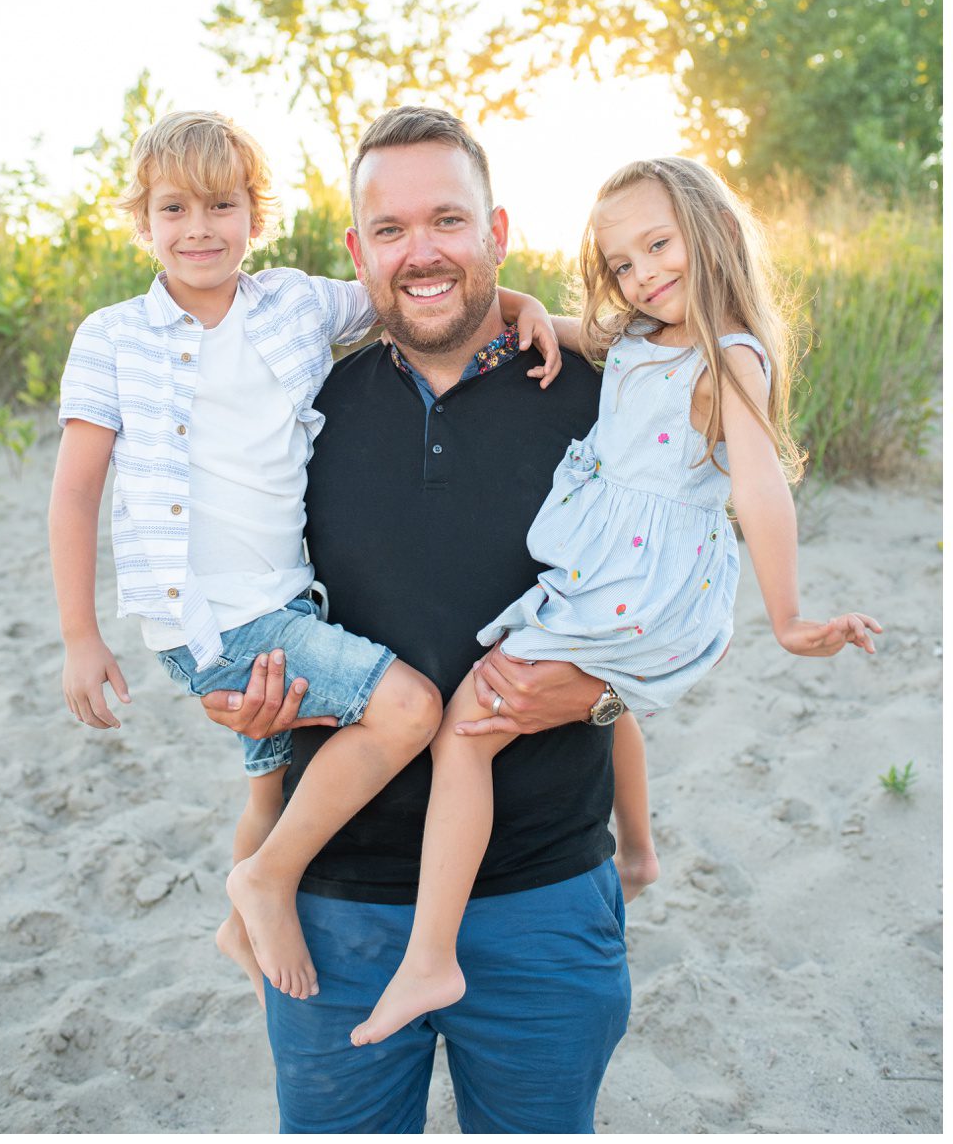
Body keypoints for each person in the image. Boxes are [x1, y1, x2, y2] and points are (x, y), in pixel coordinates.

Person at [348, 154, 880, 1048]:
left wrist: (788, 616)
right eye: (624, 262)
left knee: (467, 729)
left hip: (641, 581)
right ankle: (637, 848)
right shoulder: (642, 336)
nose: (645, 274)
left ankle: (432, 955)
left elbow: (759, 488)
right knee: (597, 697)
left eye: (660, 246)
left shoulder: (726, 359)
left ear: (712, 231)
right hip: (610, 576)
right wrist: (518, 307)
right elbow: (544, 321)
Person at [50, 109, 560, 1004]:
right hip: (211, 612)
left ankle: (238, 919)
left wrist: (522, 303)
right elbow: (75, 491)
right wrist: (79, 635)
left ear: (258, 213)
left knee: (272, 784)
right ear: (142, 222)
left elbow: (424, 287)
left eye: (221, 205)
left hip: (288, 596)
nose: (199, 229)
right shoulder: (111, 339)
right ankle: (265, 881)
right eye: (173, 210)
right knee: (406, 711)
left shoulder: (292, 303)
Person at [201, 106, 621, 1133]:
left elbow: (680, 612)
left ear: (496, 231)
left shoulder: (595, 400)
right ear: (355, 251)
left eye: (446, 220)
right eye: (388, 230)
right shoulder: (300, 405)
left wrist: (607, 687)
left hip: (541, 895)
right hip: (336, 904)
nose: (419, 252)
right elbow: (231, 592)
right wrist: (234, 699)